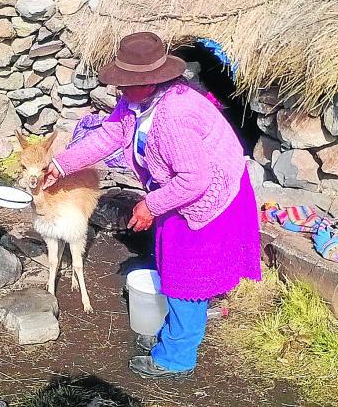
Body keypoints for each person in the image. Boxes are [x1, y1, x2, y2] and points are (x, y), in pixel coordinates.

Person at [42, 32, 261, 379]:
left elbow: (194, 180)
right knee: (171, 262)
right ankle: (175, 330)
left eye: (126, 82)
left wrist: (150, 205)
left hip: (209, 199)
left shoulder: (175, 116)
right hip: (178, 191)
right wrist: (62, 164)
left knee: (188, 277)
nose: (119, 88)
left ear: (150, 80)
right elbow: (109, 134)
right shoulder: (137, 103)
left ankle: (176, 358)